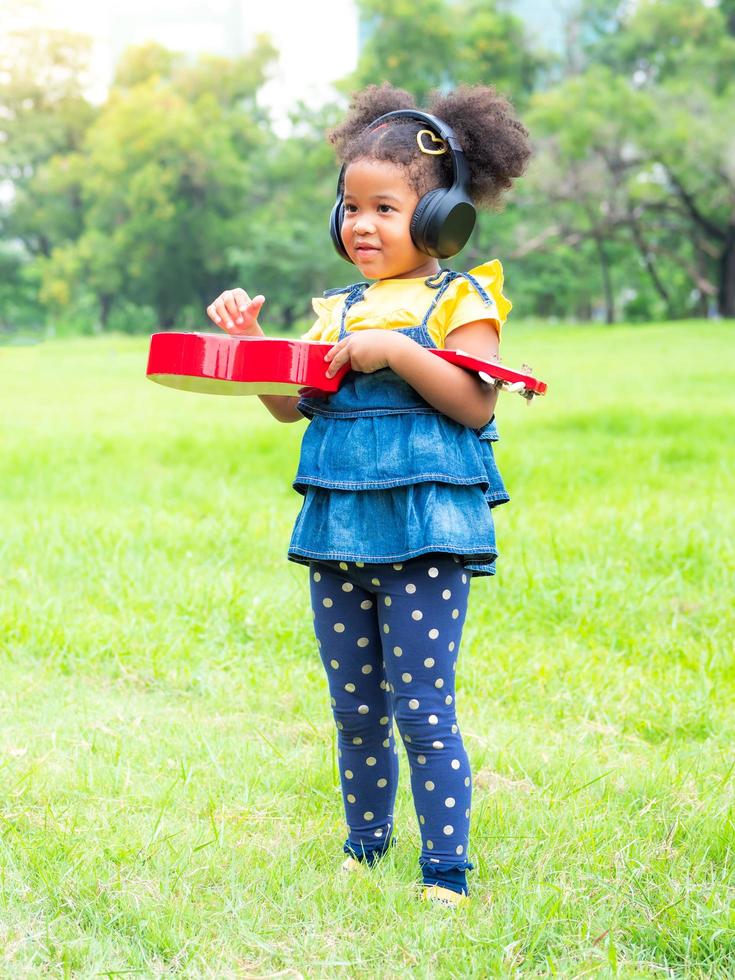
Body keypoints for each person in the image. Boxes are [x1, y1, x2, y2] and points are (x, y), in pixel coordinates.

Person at [206, 82, 531, 909]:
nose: (360, 224)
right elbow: (291, 405)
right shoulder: (334, 313)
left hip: (423, 531)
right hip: (339, 524)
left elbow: (473, 402)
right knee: (354, 710)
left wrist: (393, 348)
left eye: (384, 208)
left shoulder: (462, 300)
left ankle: (446, 873)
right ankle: (364, 846)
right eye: (350, 207)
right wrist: (249, 348)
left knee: (420, 709)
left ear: (437, 219)